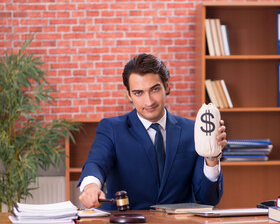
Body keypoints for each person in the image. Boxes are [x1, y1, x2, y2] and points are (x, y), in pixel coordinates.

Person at [78, 53, 226, 210]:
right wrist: (91, 187)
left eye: (154, 89)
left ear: (166, 87)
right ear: (129, 95)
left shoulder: (193, 130)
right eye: (138, 93)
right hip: (128, 223)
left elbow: (208, 200)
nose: (148, 101)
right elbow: (96, 163)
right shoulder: (112, 128)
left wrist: (212, 157)